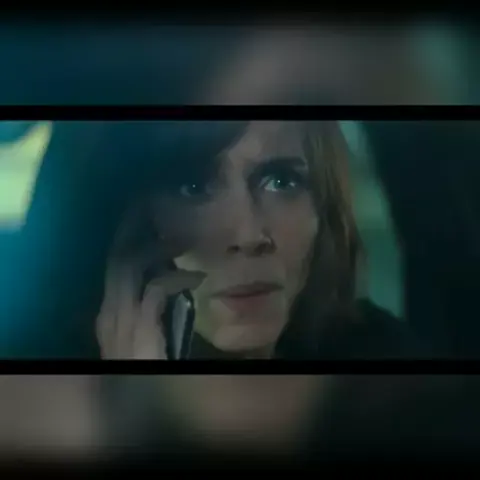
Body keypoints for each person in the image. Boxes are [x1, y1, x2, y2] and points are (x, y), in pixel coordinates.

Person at [96, 120, 423, 360]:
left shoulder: (385, 350)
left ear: (324, 207)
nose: (249, 236)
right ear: (141, 223)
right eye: (194, 188)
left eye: (281, 181)